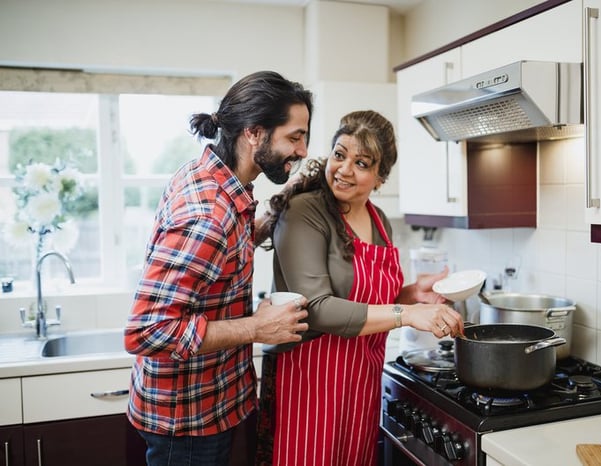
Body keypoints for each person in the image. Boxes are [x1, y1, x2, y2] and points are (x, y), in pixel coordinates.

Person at [123, 70, 314, 466]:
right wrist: (257, 328)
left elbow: (221, 254)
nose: (302, 151)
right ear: (255, 133)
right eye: (294, 137)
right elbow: (148, 331)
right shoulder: (207, 216)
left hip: (208, 405)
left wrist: (283, 202)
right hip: (187, 423)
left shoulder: (214, 180)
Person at [255, 110, 464, 466]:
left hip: (361, 381)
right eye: (340, 155)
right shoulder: (305, 211)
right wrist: (409, 313)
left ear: (380, 177)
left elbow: (372, 300)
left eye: (362, 163)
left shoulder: (379, 220)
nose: (345, 169)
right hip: (309, 382)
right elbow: (318, 307)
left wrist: (412, 294)